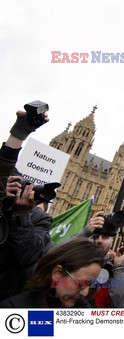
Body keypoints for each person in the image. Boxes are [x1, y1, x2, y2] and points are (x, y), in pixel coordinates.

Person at [0, 108, 50, 302]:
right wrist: (18, 135)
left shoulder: (40, 219)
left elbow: (28, 255)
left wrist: (19, 214)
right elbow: (4, 167)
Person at [0, 238, 104, 308]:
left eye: (90, 285)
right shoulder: (12, 310)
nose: (85, 293)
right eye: (80, 284)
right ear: (57, 273)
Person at [87, 211, 124, 308]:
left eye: (105, 237)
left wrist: (119, 267)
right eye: (95, 236)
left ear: (112, 240)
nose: (99, 240)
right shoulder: (75, 260)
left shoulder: (114, 270)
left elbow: (122, 307)